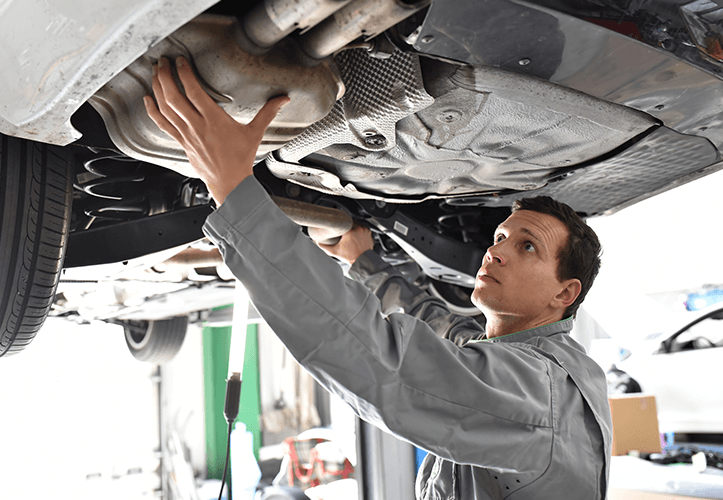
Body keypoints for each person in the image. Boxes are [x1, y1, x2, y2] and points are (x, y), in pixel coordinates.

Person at [145, 56, 613, 499]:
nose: (496, 250)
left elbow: (386, 365)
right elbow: (436, 329)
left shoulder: (539, 393)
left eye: (526, 246)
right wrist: (364, 261)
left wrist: (235, 189)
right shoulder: (529, 362)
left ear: (564, 293)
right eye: (501, 235)